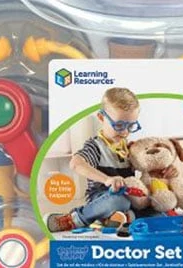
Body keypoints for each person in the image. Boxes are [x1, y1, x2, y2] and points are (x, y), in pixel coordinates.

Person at [47, 87, 142, 232]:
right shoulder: (96, 146)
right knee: (119, 201)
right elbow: (76, 163)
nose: (125, 132)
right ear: (101, 118)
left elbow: (147, 166)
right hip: (103, 197)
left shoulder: (129, 148)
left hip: (127, 197)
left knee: (152, 208)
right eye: (119, 125)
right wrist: (107, 180)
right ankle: (75, 218)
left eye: (131, 126)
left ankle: (112, 219)